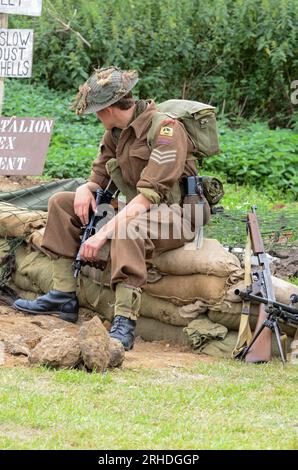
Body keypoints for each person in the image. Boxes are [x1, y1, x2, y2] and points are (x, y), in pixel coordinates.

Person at [13, 66, 210, 350]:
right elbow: (99, 177)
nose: (95, 116)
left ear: (108, 108)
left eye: (96, 110)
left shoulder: (167, 130)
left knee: (128, 228)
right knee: (61, 203)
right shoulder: (116, 133)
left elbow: (147, 198)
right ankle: (64, 294)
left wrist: (101, 234)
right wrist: (85, 188)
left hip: (178, 214)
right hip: (142, 210)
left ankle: (124, 321)